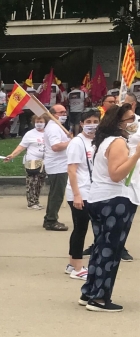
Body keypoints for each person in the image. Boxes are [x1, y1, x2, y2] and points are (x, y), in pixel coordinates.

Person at [79, 104, 140, 312]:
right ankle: (100, 297)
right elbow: (116, 174)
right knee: (110, 250)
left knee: (100, 247)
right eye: (130, 119)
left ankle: (90, 291)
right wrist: (136, 155)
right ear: (118, 123)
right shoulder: (117, 143)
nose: (134, 122)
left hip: (100, 199)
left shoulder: (105, 141)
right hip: (115, 200)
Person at [64, 109, 100, 281]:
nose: (92, 125)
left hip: (92, 190)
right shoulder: (77, 143)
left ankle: (72, 262)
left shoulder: (96, 142)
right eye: (88, 122)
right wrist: (77, 195)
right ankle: (77, 267)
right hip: (80, 192)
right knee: (81, 228)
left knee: (80, 227)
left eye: (95, 121)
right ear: (81, 124)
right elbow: (72, 171)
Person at [4, 115, 49, 209]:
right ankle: (31, 202)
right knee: (32, 182)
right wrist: (12, 155)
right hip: (32, 161)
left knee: (40, 182)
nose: (39, 123)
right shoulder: (30, 134)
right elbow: (21, 147)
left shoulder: (49, 133)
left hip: (45, 162)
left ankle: (36, 200)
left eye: (41, 121)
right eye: (37, 121)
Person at [43, 104, 72, 231]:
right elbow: (56, 146)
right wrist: (72, 142)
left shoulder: (57, 127)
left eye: (65, 112)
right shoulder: (53, 128)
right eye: (61, 113)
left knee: (55, 193)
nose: (64, 115)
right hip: (57, 166)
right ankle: (51, 220)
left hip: (60, 165)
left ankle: (49, 218)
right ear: (53, 114)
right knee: (57, 194)